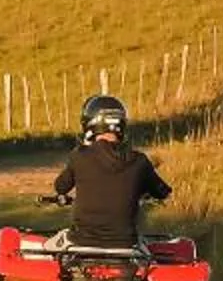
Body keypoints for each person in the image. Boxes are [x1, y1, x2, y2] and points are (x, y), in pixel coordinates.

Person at [51, 94, 170, 249]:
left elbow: (60, 187)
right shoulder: (140, 161)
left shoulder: (79, 156)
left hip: (81, 241)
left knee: (47, 247)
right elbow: (162, 192)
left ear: (89, 125)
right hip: (126, 245)